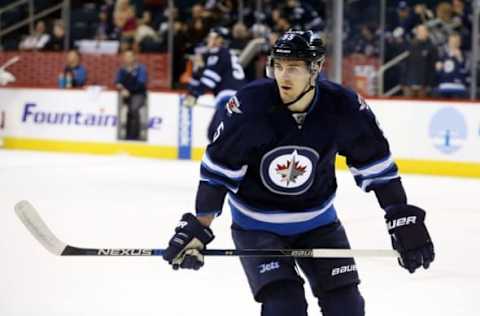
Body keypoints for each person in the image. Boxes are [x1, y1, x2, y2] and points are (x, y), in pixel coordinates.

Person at [163, 30, 435, 316]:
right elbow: (218, 176)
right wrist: (199, 226)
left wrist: (400, 215)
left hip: (319, 224)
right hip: (257, 228)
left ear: (315, 69)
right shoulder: (250, 107)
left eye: (293, 68)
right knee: (285, 307)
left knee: (347, 307)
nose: (283, 76)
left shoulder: (343, 107)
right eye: (278, 67)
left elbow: (377, 168)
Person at [183, 26, 246, 140]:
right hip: (238, 99)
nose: (209, 40)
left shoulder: (219, 53)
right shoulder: (226, 54)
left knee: (215, 133)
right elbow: (206, 78)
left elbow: (209, 82)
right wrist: (198, 70)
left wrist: (193, 94)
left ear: (220, 40)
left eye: (212, 37)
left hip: (229, 99)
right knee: (220, 135)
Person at [115, 49, 148, 140]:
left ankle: (134, 136)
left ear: (134, 57)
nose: (127, 58)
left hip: (139, 94)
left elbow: (141, 83)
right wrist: (122, 88)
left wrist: (128, 89)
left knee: (133, 109)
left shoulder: (141, 68)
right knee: (127, 110)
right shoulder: (122, 70)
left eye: (130, 56)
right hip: (125, 94)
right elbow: (117, 82)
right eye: (125, 56)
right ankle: (127, 134)